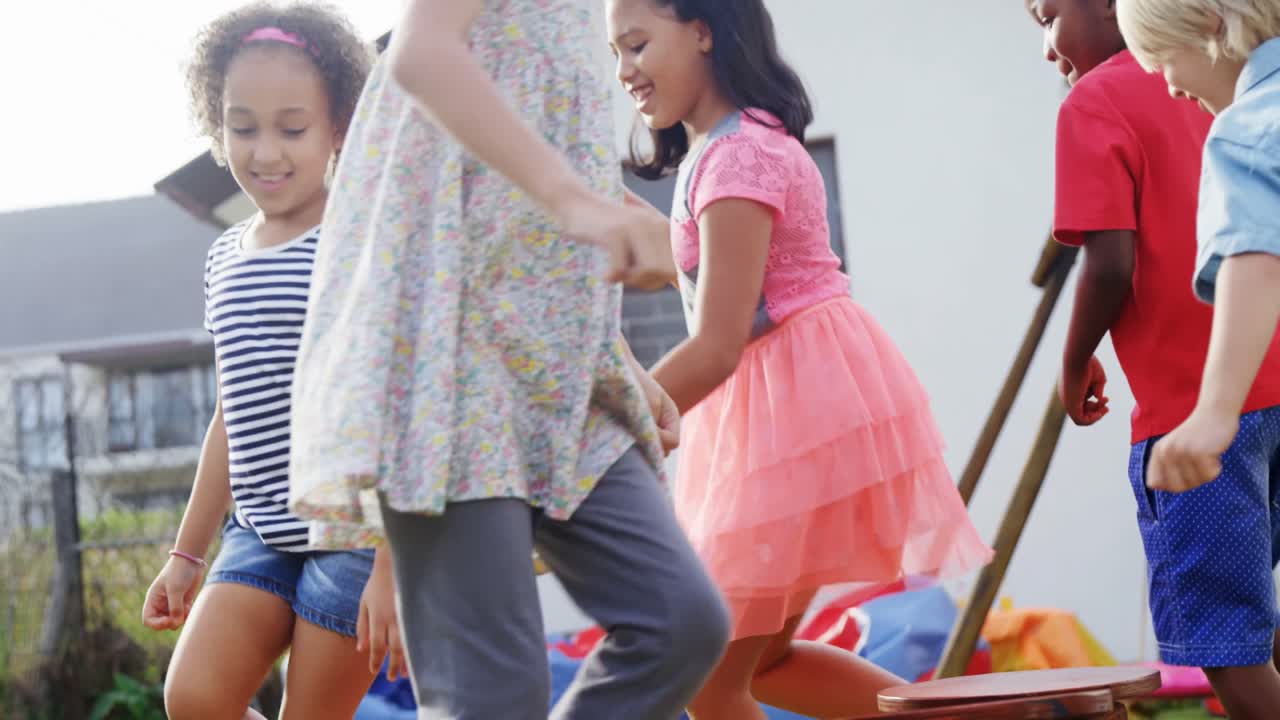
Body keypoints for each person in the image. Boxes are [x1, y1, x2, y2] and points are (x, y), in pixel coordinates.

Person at [285, 1, 731, 719]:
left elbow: (519, 159)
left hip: (564, 372)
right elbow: (421, 53)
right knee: (495, 697)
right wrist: (582, 210)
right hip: (455, 367)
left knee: (679, 622)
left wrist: (616, 352)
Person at [606, 1, 993, 717]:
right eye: (616, 54)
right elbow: (706, 274)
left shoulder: (738, 156)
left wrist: (616, 423)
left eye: (636, 45)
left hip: (789, 421)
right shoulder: (726, 150)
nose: (624, 71)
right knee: (765, 663)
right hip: (791, 411)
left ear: (703, 30)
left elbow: (720, 343)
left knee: (710, 676)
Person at [139, 4, 397, 720]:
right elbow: (234, 412)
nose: (265, 150)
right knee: (192, 698)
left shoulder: (359, 237)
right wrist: (187, 556)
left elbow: (399, 398)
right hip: (257, 534)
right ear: (216, 127)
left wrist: (393, 561)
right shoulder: (224, 258)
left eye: (292, 127)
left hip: (354, 538)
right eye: (243, 126)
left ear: (338, 127)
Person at [1029, 2, 1280, 718]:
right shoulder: (1242, 84)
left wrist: (1076, 360)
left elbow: (1109, 264)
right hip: (1272, 380)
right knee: (1262, 616)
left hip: (1193, 411)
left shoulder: (1099, 98)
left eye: (1048, 17)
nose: (1048, 48)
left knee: (1228, 643)